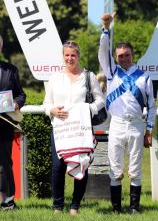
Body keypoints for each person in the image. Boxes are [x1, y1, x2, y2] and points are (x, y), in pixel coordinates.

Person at [98, 13, 157, 214]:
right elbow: (103, 50)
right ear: (116, 57)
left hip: (136, 124)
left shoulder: (144, 77)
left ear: (133, 55)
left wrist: (149, 130)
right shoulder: (111, 72)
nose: (123, 58)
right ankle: (116, 209)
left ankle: (134, 207)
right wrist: (106, 28)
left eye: (127, 55)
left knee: (135, 168)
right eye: (120, 55)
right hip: (116, 124)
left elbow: (152, 106)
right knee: (115, 167)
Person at [44, 40, 105, 215]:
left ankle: (75, 206)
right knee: (57, 167)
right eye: (67, 55)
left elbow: (100, 100)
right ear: (63, 57)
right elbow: (46, 103)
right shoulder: (55, 78)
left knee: (81, 165)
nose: (70, 58)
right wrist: (52, 110)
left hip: (81, 130)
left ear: (78, 56)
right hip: (60, 130)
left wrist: (88, 110)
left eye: (73, 55)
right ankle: (57, 206)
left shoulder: (89, 76)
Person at [0, 35, 26, 211]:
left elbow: (21, 95)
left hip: (4, 125)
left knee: (4, 164)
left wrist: (16, 103)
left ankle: (8, 202)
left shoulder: (11, 70)